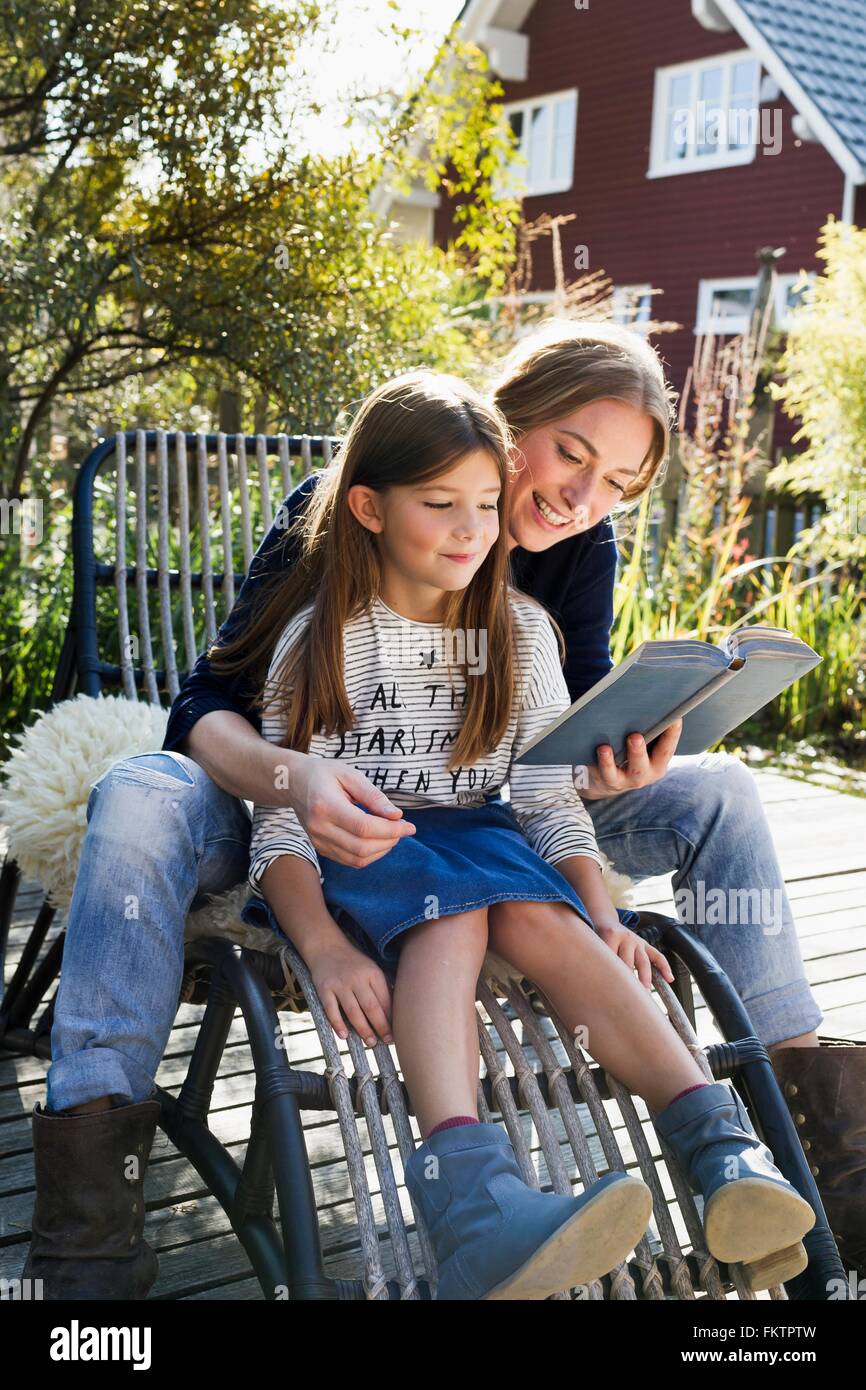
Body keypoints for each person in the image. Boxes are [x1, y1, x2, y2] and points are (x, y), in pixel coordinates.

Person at [23, 321, 861, 1301]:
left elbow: (549, 755)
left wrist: (617, 765)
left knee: (717, 791)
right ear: (507, 425)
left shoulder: (555, 579)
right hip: (297, 793)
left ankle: (811, 1154)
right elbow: (209, 703)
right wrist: (294, 789)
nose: (583, 499)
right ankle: (87, 1228)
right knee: (138, 797)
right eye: (569, 455)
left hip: (485, 813)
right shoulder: (342, 527)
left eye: (617, 485)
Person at [216, 369, 813, 1300]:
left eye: (487, 506)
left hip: (484, 841)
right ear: (368, 509)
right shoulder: (317, 639)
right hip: (372, 847)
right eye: (442, 504)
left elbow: (543, 798)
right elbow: (282, 820)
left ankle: (722, 1151)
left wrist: (600, 907)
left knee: (548, 921)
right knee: (454, 915)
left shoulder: (524, 632)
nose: (472, 529)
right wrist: (324, 948)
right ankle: (470, 1204)